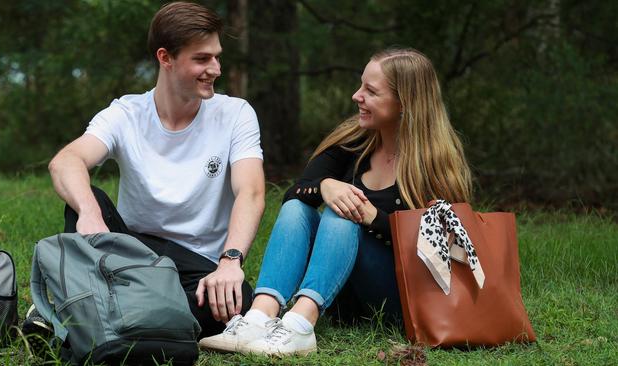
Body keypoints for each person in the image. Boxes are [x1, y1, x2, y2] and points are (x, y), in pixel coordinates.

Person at [199, 47, 472, 356]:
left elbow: (451, 252)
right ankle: (260, 316)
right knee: (298, 208)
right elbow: (296, 193)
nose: (357, 96)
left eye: (370, 91)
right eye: (360, 85)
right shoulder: (354, 140)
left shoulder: (436, 163)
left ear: (404, 103)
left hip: (401, 297)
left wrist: (374, 219)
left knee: (344, 212)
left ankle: (300, 326)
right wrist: (326, 186)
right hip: (340, 292)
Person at [27, 1, 265, 339]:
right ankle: (130, 314)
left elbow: (252, 192)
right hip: (129, 252)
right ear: (165, 58)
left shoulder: (236, 114)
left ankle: (97, 312)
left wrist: (230, 260)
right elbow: (66, 161)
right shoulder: (127, 113)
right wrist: (90, 214)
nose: (215, 68)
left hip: (197, 264)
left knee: (236, 301)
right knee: (83, 197)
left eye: (216, 56)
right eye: (201, 58)